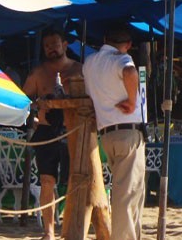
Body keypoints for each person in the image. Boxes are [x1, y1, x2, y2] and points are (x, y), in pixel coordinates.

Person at [83, 22, 145, 240]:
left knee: (127, 191)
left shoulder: (89, 62)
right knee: (127, 194)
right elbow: (129, 72)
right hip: (127, 131)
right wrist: (132, 99)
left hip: (107, 131)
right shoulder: (121, 59)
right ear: (127, 45)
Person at [22, 27, 82, 240]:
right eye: (47, 46)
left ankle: (74, 226)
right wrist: (37, 112)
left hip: (72, 130)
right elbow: (24, 100)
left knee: (76, 180)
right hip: (47, 132)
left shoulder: (78, 70)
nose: (51, 49)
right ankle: (48, 231)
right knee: (47, 181)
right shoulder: (38, 72)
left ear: (64, 45)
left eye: (54, 44)